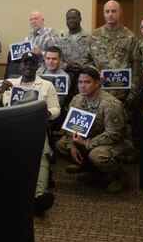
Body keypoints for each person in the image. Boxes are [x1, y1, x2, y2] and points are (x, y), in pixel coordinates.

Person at [0, 52, 59, 214]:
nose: (28, 67)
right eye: (25, 63)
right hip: (9, 128)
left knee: (42, 151)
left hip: (34, 128)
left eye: (32, 64)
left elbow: (56, 110)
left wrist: (45, 112)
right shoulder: (9, 83)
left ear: (37, 66)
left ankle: (39, 197)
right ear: (19, 66)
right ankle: (4, 194)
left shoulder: (47, 85)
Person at [55, 66, 133, 194]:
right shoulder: (77, 100)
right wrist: (71, 146)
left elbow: (114, 134)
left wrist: (86, 144)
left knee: (97, 155)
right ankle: (95, 171)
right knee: (61, 145)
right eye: (80, 82)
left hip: (117, 141)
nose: (82, 86)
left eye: (87, 82)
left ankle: (118, 176)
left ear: (97, 83)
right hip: (89, 138)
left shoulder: (110, 104)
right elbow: (70, 128)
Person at [86, 0, 142, 111]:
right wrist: (95, 73)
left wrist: (133, 95)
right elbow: (86, 61)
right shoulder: (94, 36)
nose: (110, 14)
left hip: (122, 96)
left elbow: (137, 69)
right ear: (104, 13)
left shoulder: (130, 37)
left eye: (113, 11)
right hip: (98, 92)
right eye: (107, 11)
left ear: (120, 12)